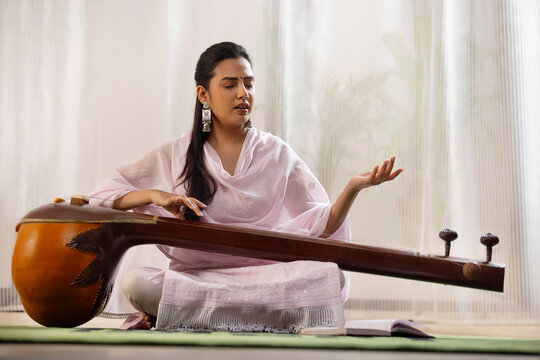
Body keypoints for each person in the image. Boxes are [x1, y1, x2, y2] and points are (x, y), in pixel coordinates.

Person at [90, 42, 402, 332]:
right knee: (137, 283)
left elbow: (320, 226)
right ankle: (247, 317)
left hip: (268, 278)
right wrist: (156, 195)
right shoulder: (177, 153)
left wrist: (352, 188)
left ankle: (190, 315)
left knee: (329, 276)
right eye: (230, 85)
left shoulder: (275, 152)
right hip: (198, 280)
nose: (243, 93)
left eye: (249, 84)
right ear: (203, 94)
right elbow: (102, 196)